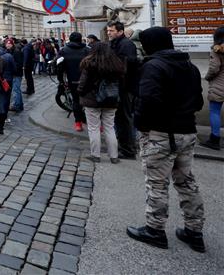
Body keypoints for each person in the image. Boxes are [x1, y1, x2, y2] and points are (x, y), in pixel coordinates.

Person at [126, 27, 205, 253]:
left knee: (157, 184)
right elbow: (199, 103)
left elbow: (148, 100)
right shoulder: (189, 66)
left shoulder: (153, 66)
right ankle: (194, 231)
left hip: (161, 133)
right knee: (187, 182)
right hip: (187, 132)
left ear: (150, 44)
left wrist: (141, 125)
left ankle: (155, 230)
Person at [77, 42, 123, 162]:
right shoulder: (116, 63)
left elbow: (83, 83)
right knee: (110, 127)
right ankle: (114, 156)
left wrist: (80, 93)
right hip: (111, 99)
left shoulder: (89, 63)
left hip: (92, 100)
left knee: (93, 128)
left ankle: (95, 155)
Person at [107, 21, 139, 159]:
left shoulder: (126, 44)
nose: (109, 33)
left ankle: (129, 150)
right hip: (120, 87)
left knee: (125, 119)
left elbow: (126, 67)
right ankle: (124, 147)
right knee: (120, 119)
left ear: (120, 32)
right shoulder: (116, 43)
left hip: (125, 87)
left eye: (111, 31)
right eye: (108, 30)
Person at [56, 32, 89, 131]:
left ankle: (78, 123)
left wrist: (61, 81)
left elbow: (59, 67)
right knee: (89, 101)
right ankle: (94, 123)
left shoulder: (64, 51)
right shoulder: (87, 50)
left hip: (72, 80)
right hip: (87, 81)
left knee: (76, 101)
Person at [201, 26, 224, 150]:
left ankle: (214, 139)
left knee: (214, 111)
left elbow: (214, 68)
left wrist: (208, 77)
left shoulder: (217, 50)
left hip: (219, 85)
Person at [5, 39, 24, 112]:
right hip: (12, 73)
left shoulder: (16, 52)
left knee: (16, 90)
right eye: (7, 44)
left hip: (16, 74)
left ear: (12, 44)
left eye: (9, 44)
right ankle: (19, 104)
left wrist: (11, 67)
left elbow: (19, 64)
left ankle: (17, 105)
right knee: (16, 90)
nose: (8, 45)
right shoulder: (8, 51)